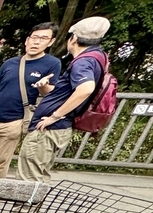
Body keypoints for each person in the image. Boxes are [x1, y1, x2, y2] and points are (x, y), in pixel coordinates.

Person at [17, 16, 111, 183]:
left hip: (49, 128)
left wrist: (55, 115)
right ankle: (31, 208)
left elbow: (85, 88)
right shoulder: (98, 57)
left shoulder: (84, 62)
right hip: (58, 127)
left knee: (29, 177)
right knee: (39, 175)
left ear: (73, 38)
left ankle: (22, 210)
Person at [0, 22, 60, 178]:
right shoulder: (10, 63)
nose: (36, 42)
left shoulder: (52, 63)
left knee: (1, 162)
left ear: (51, 42)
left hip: (15, 120)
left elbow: (52, 90)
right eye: (34, 37)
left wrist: (43, 86)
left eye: (43, 38)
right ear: (27, 40)